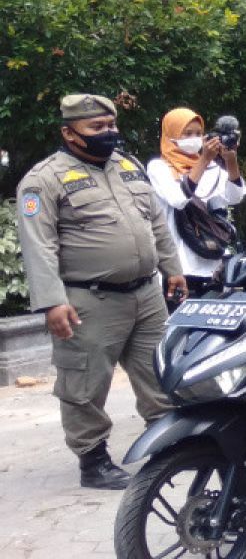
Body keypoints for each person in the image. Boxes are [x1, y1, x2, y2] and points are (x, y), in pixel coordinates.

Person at [14, 94, 187, 490]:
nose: (108, 133)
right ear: (69, 133)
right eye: (97, 127)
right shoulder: (44, 179)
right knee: (85, 384)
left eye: (111, 125)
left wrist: (172, 269)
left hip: (146, 295)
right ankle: (93, 460)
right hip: (88, 302)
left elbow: (156, 223)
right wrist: (52, 302)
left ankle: (169, 447)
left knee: (158, 372)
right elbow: (38, 245)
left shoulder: (128, 167)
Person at [146, 108, 246, 297]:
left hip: (212, 263)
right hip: (178, 266)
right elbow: (178, 199)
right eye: (188, 133)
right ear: (172, 135)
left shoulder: (212, 167)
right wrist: (203, 159)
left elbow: (235, 197)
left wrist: (230, 161)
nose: (195, 138)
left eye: (199, 134)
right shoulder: (158, 168)